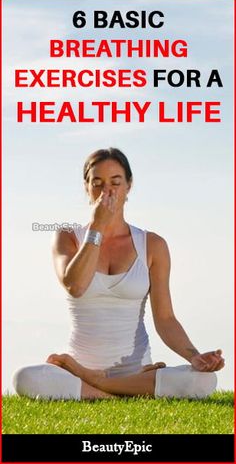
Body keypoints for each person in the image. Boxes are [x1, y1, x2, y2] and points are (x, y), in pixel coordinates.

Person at [13, 148, 224, 401]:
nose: (107, 191)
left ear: (129, 186)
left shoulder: (152, 245)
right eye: (97, 183)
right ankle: (108, 391)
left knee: (204, 380)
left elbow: (165, 319)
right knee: (24, 378)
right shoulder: (67, 237)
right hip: (76, 370)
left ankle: (96, 386)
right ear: (86, 188)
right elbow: (76, 286)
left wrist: (194, 357)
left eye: (115, 182)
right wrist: (97, 228)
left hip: (134, 371)